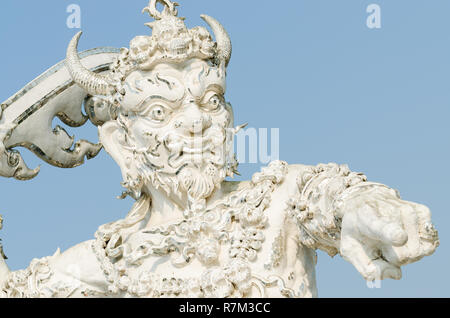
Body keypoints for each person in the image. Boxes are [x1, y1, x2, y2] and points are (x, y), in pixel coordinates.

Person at [0, 0, 439, 298]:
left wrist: (368, 207)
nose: (195, 122)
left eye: (210, 101)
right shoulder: (101, 262)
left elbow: (329, 193)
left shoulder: (276, 201)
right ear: (120, 143)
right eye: (159, 111)